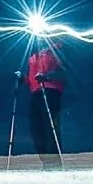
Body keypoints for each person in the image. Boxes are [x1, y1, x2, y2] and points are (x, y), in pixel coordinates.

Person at [20, 37, 65, 168]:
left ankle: (54, 162)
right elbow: (31, 79)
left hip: (51, 91)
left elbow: (64, 73)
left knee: (50, 127)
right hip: (36, 93)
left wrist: (47, 77)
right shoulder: (33, 56)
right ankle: (46, 160)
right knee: (36, 128)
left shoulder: (56, 50)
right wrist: (23, 79)